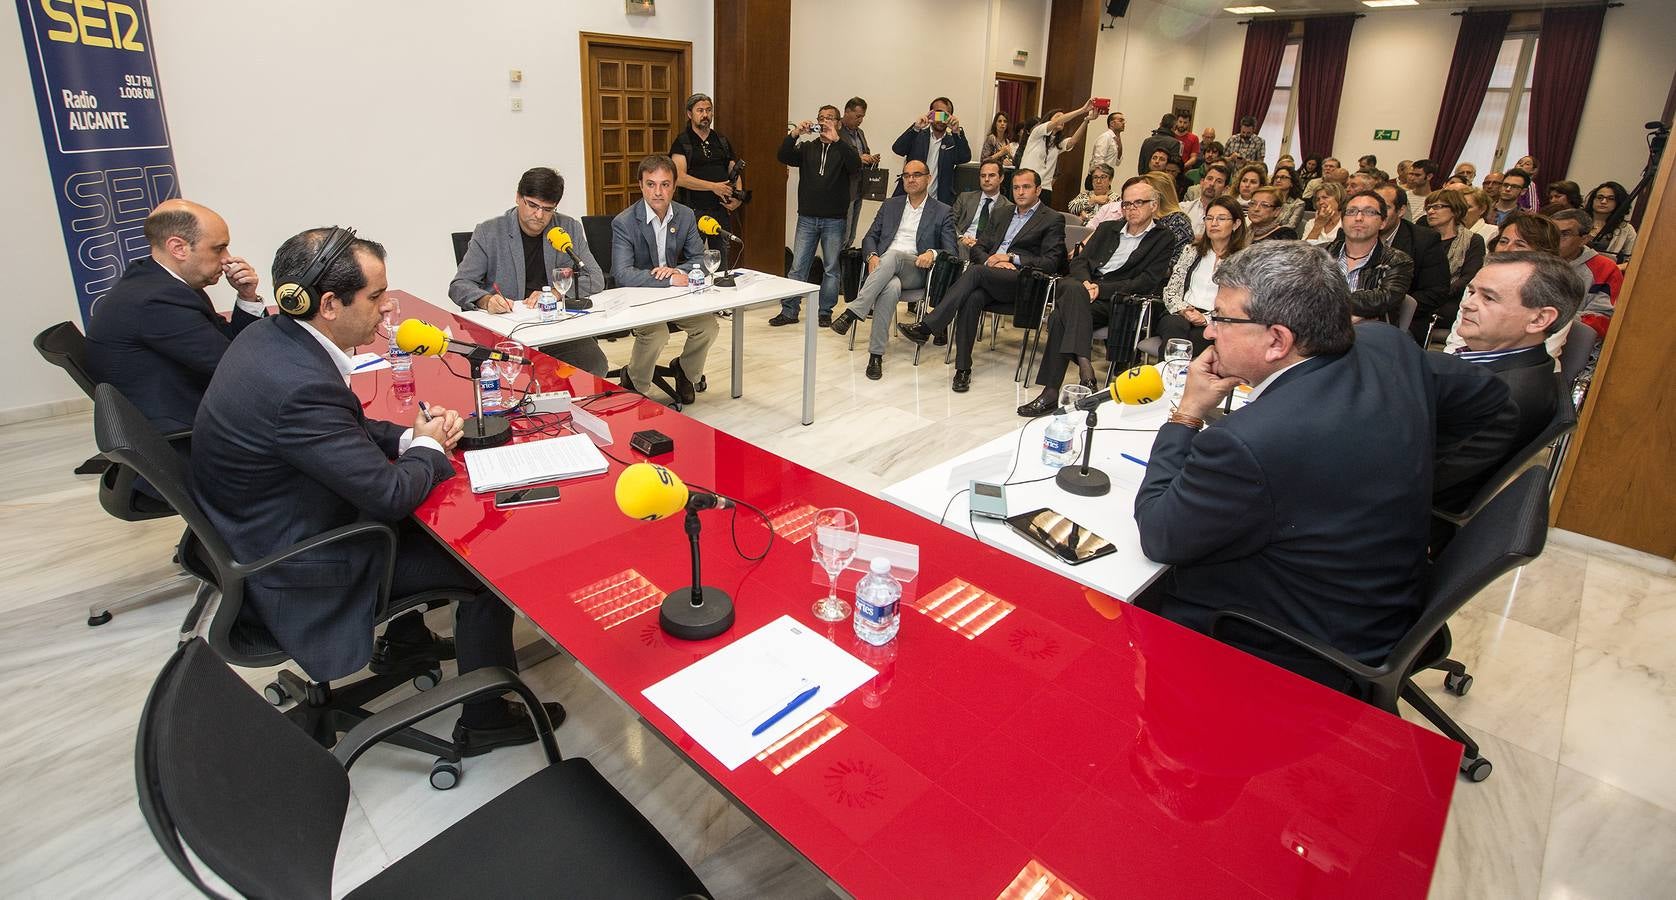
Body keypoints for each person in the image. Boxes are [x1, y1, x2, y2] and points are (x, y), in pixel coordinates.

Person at [195, 227, 559, 754]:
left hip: (257, 528)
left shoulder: (273, 340)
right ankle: (485, 719)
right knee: (487, 563)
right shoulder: (300, 387)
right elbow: (388, 495)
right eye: (374, 297)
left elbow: (343, 431)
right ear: (327, 304)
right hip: (298, 564)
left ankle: (406, 641)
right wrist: (428, 452)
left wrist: (413, 435)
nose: (387, 307)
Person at [1132, 241, 1510, 686]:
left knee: (1127, 593)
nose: (1210, 332)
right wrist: (1405, 466)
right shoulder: (1388, 344)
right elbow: (1492, 400)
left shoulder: (1247, 443)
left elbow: (1159, 534)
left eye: (1221, 318)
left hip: (1291, 642)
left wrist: (1186, 414)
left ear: (1278, 340)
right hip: (1382, 599)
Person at [86, 199, 266, 436]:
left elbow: (229, 344)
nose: (227, 259)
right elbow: (234, 366)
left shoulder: (159, 280)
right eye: (218, 248)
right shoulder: (157, 300)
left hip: (182, 408)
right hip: (184, 432)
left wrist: (246, 296)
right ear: (178, 248)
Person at [1434, 251, 1580, 512]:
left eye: (1488, 297)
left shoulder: (1503, 399)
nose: (1467, 304)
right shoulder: (1519, 365)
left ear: (1538, 319)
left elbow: (1423, 477)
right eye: (1472, 291)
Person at [896, 168, 1065, 392]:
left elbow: (1051, 262)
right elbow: (979, 248)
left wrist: (1011, 259)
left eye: (1026, 187)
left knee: (975, 273)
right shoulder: (1002, 213)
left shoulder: (1052, 219)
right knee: (972, 297)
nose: (1020, 192)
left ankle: (928, 326)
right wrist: (992, 262)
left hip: (1024, 283)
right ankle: (962, 370)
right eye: (1016, 187)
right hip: (992, 276)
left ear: (1038, 190)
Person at [1019, 177, 1176, 418]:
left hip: (1118, 301)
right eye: (1126, 204)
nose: (1130, 209)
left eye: (1138, 203)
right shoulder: (1107, 228)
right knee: (1070, 288)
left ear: (1154, 205)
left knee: (1060, 317)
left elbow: (1147, 281)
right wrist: (1086, 284)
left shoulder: (1163, 238)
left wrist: (1099, 290)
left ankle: (1052, 393)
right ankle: (1085, 369)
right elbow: (1080, 261)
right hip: (1084, 290)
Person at [449, 167, 607, 375]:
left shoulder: (568, 228)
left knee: (595, 364)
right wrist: (486, 301)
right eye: (532, 205)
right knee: (519, 376)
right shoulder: (489, 232)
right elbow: (459, 285)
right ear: (518, 197)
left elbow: (595, 278)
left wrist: (556, 292)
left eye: (548, 209)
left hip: (557, 327)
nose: (539, 215)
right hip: (509, 332)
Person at [831, 160, 956, 381]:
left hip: (917, 270)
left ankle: (853, 312)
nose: (911, 179)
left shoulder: (942, 211)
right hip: (885, 271)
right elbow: (870, 237)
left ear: (928, 178)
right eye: (906, 175)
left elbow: (951, 250)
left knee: (894, 255)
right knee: (890, 287)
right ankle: (876, 356)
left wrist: (932, 253)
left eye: (917, 174)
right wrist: (871, 256)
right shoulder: (891, 205)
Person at [609, 155, 719, 402]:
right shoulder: (624, 222)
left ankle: (685, 371)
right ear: (640, 185)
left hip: (675, 296)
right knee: (657, 333)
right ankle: (634, 381)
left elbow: (700, 259)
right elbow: (622, 273)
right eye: (651, 184)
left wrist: (677, 272)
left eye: (665, 184)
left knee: (708, 326)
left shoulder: (685, 215)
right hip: (640, 297)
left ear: (674, 185)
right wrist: (666, 279)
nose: (658, 192)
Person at [773, 105, 862, 327]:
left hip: (835, 219)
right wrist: (794, 134)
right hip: (807, 218)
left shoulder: (845, 149)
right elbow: (783, 155)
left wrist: (837, 141)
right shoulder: (807, 148)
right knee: (798, 266)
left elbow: (855, 167)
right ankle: (789, 311)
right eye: (821, 118)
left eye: (830, 118)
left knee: (831, 268)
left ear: (838, 123)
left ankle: (825, 312)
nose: (824, 122)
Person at [1156, 194, 1250, 355]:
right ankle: (1171, 375)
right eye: (1209, 218)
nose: (1214, 223)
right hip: (1181, 312)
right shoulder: (1191, 251)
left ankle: (1173, 375)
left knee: (1200, 338)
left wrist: (1206, 319)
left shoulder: (1244, 260)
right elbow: (1171, 290)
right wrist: (1183, 309)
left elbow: (1239, 304)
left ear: (1236, 224)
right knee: (1175, 328)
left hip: (1218, 320)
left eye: (1221, 219)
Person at [1374, 182, 1449, 341]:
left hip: (1402, 320)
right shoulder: (1352, 235)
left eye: (1385, 208)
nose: (1376, 215)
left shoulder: (1424, 241)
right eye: (1371, 209)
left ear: (1401, 211)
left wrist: (1382, 310)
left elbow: (1435, 292)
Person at [1326, 190, 1413, 322]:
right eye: (1351, 212)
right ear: (1342, 221)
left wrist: (1326, 300)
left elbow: (1384, 299)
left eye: (1369, 212)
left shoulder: (1397, 261)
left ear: (1382, 222)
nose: (1359, 218)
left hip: (1370, 333)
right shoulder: (1322, 255)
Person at [670, 93, 742, 235]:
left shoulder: (721, 140)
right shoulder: (682, 142)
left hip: (721, 209)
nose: (705, 115)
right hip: (693, 210)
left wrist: (738, 198)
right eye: (700, 110)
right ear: (690, 114)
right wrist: (713, 187)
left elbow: (735, 171)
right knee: (693, 255)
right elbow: (678, 178)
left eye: (709, 110)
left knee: (722, 255)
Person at [1419, 189, 1486, 340]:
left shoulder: (1473, 240)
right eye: (1428, 207)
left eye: (1437, 207)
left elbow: (1469, 277)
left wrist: (1439, 293)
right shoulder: (1421, 237)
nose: (1430, 211)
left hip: (1451, 298)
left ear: (1455, 210)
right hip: (1422, 295)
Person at [1553, 208, 1624, 340]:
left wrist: (1550, 317)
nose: (1554, 239)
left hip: (1573, 341)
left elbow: (1602, 319)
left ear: (1584, 239)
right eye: (1552, 233)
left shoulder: (1605, 269)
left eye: (1564, 234)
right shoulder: (1534, 259)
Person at [891, 96, 972, 207]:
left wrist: (957, 131)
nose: (940, 119)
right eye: (937, 114)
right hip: (909, 198)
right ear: (930, 114)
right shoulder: (918, 135)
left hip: (937, 202)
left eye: (944, 115)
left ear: (950, 117)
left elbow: (965, 157)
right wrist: (915, 128)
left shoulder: (952, 141)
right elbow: (898, 149)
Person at [1018, 100, 1095, 205]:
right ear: (1049, 120)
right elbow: (1056, 122)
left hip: (1045, 188)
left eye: (1063, 118)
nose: (1062, 120)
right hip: (1027, 184)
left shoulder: (1057, 142)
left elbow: (1072, 141)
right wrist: (1082, 110)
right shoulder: (1037, 132)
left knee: (1043, 220)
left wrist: (1086, 120)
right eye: (1058, 117)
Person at [839, 97, 883, 247]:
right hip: (843, 188)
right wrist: (859, 158)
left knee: (851, 234)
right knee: (842, 234)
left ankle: (846, 262)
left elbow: (864, 152)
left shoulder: (860, 133)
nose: (861, 120)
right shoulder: (836, 131)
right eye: (858, 116)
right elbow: (835, 157)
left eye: (863, 116)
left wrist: (871, 158)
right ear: (847, 112)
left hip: (859, 187)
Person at [952, 160, 1014, 248]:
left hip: (986, 249)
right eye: (983, 176)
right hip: (961, 242)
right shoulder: (965, 198)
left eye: (991, 175)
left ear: (1001, 178)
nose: (986, 179)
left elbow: (1004, 237)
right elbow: (950, 222)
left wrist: (982, 243)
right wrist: (961, 238)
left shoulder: (1008, 207)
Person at [1585, 180, 1637, 263]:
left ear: (1619, 202)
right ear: (1592, 200)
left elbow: (1631, 261)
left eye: (1611, 199)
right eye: (1600, 197)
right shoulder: (1577, 219)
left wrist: (1613, 269)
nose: (1603, 202)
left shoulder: (1627, 229)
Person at [1184, 163, 1230, 237]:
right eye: (1209, 179)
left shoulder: (1227, 216)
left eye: (1219, 181)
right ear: (1202, 182)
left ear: (1225, 189)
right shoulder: (1184, 208)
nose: (1212, 184)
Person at [1137, 113, 1184, 178]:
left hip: (1146, 178)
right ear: (1173, 127)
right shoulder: (1175, 143)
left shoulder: (1147, 141)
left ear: (1160, 124)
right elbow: (1173, 168)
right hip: (1163, 181)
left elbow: (1141, 166)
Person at [1269, 166, 1305, 231]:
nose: (1278, 180)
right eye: (1276, 177)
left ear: (1292, 183)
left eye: (1283, 177)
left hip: (1284, 237)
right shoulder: (1266, 199)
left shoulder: (1298, 204)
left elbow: (1291, 226)